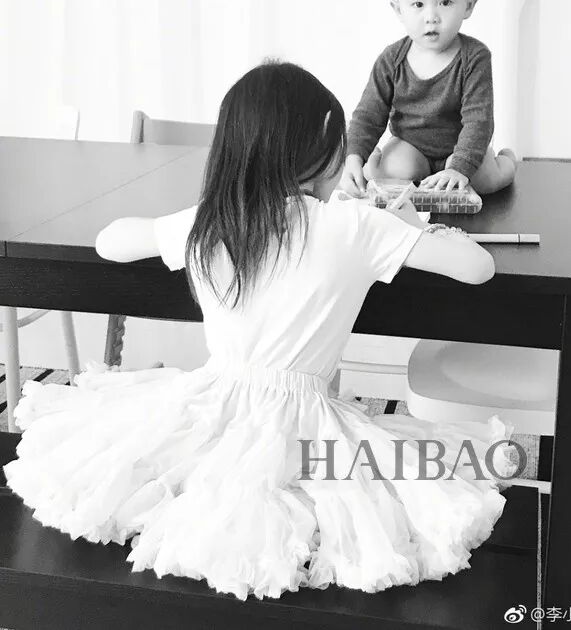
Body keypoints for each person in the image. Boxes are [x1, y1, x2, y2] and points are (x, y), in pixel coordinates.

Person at [4, 62, 514, 602]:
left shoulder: (214, 220)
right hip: (305, 422)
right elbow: (477, 267)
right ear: (323, 143)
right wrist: (408, 223)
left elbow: (110, 242)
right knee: (367, 497)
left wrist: (179, 222)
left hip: (211, 408)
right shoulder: (355, 225)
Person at [341, 0, 517, 197]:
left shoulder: (475, 57)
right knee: (394, 171)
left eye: (445, 2)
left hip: (460, 149)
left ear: (469, 5)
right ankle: (377, 161)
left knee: (484, 181)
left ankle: (507, 162)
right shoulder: (391, 60)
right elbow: (368, 115)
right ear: (398, 8)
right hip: (410, 147)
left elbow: (478, 121)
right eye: (418, 4)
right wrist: (354, 156)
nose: (431, 17)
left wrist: (458, 168)